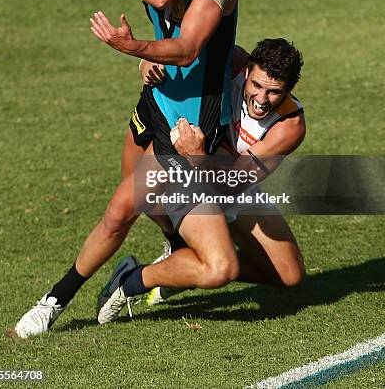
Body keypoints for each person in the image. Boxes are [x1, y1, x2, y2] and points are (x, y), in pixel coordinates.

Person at [11, 0, 238, 338]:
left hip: (189, 127)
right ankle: (52, 302)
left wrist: (134, 45)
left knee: (220, 266)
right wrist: (143, 58)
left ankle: (132, 280)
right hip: (154, 102)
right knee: (124, 210)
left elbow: (188, 47)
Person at [96, 38, 306, 320]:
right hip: (186, 173)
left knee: (290, 274)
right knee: (218, 265)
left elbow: (232, 183)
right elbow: (182, 50)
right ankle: (135, 282)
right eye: (256, 85)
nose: (261, 99)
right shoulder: (232, 61)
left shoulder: (289, 126)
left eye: (274, 92)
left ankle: (175, 268)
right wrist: (147, 61)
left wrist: (198, 155)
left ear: (289, 90)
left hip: (228, 181)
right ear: (247, 71)